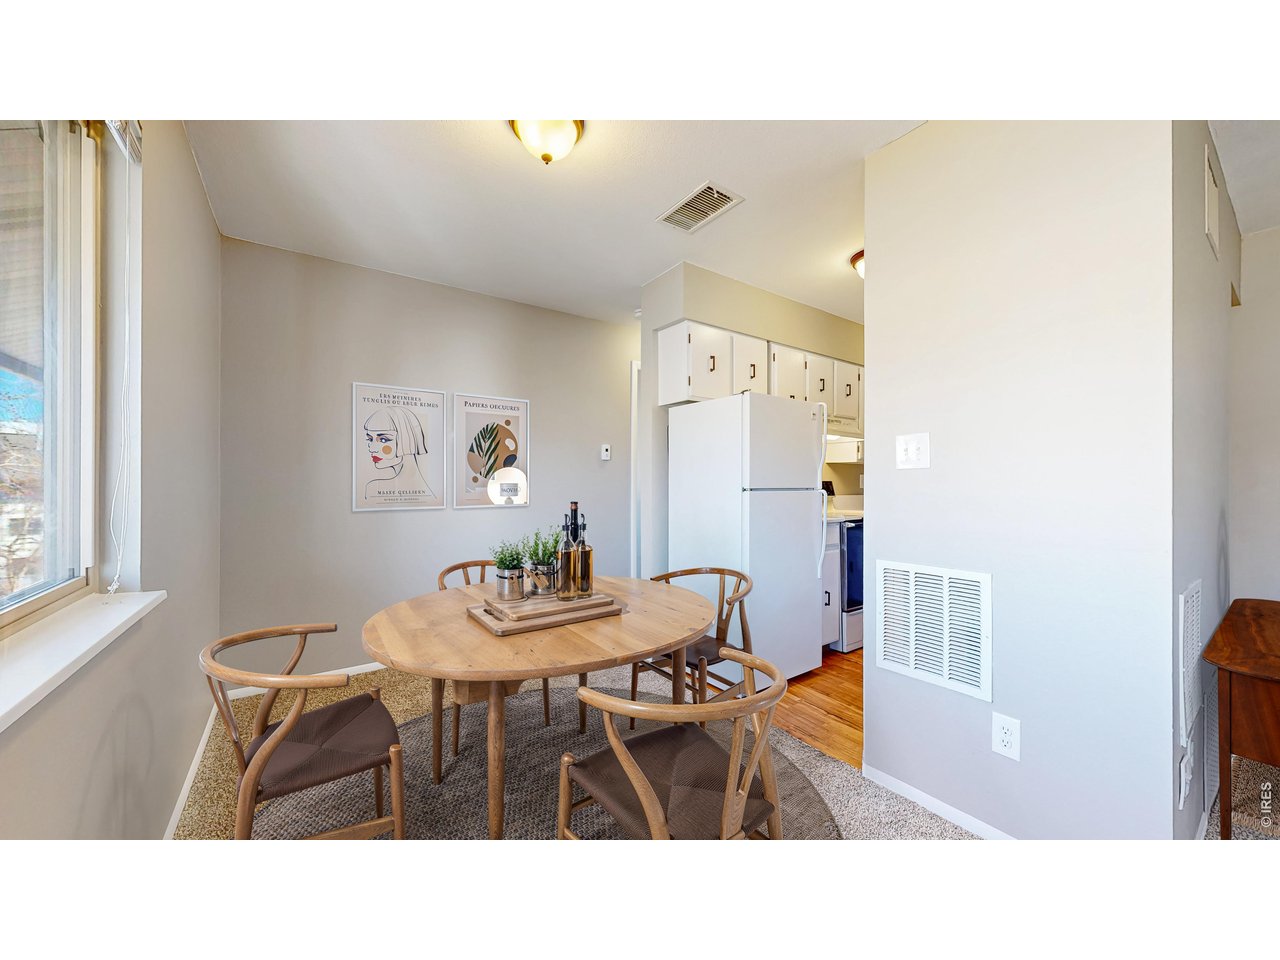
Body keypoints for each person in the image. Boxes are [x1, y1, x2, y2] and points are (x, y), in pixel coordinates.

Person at [362, 406, 435, 501]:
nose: (372, 449)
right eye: (370, 439)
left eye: (383, 440)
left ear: (406, 440)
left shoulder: (373, 487)